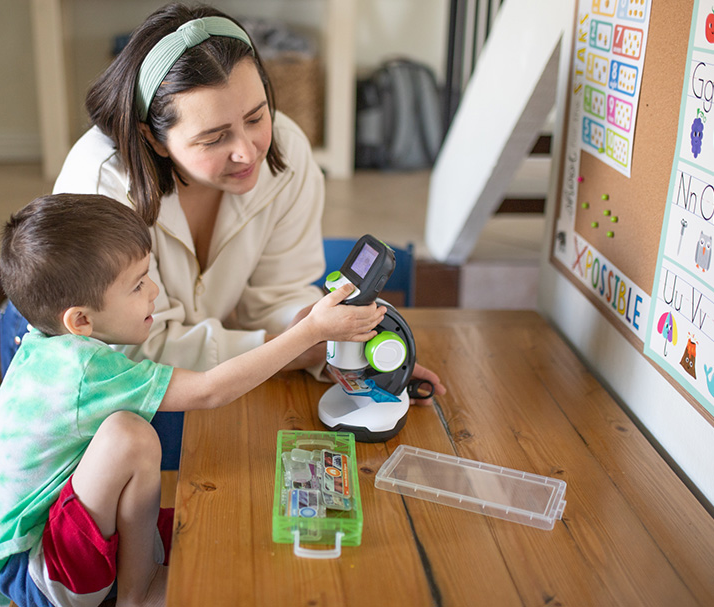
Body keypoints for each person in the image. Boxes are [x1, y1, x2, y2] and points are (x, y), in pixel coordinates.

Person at [0, 193, 385, 607]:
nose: (153, 291)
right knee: (128, 435)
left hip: (40, 546)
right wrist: (309, 332)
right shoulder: (81, 369)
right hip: (41, 573)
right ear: (80, 320)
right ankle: (138, 590)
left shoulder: (46, 344)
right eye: (137, 285)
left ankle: (140, 575)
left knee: (205, 522)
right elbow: (210, 390)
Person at [49, 2, 444, 403]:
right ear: (152, 137)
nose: (247, 151)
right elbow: (136, 350)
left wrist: (334, 348)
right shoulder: (100, 188)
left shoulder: (287, 151)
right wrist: (295, 346)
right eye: (214, 138)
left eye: (256, 118)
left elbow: (277, 292)